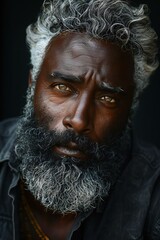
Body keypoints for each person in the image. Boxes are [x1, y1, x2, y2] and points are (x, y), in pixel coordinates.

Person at [0, 0, 160, 239]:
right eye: (62, 87)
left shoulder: (154, 191)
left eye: (107, 98)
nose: (79, 120)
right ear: (32, 85)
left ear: (131, 107)